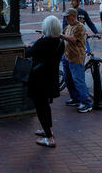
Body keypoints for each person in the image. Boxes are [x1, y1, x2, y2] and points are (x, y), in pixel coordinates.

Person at [25, 16, 64, 148]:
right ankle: (48, 129)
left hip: (39, 79)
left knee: (40, 107)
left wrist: (28, 47)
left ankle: (49, 138)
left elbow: (29, 53)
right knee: (46, 105)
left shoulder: (44, 42)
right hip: (51, 77)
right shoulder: (59, 42)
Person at [61, 8, 93, 113]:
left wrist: (61, 36)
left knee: (78, 80)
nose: (65, 18)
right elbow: (62, 35)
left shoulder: (80, 27)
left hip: (76, 57)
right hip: (67, 56)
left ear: (74, 16)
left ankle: (87, 103)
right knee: (68, 79)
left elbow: (73, 40)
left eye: (67, 16)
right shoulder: (68, 26)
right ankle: (75, 99)